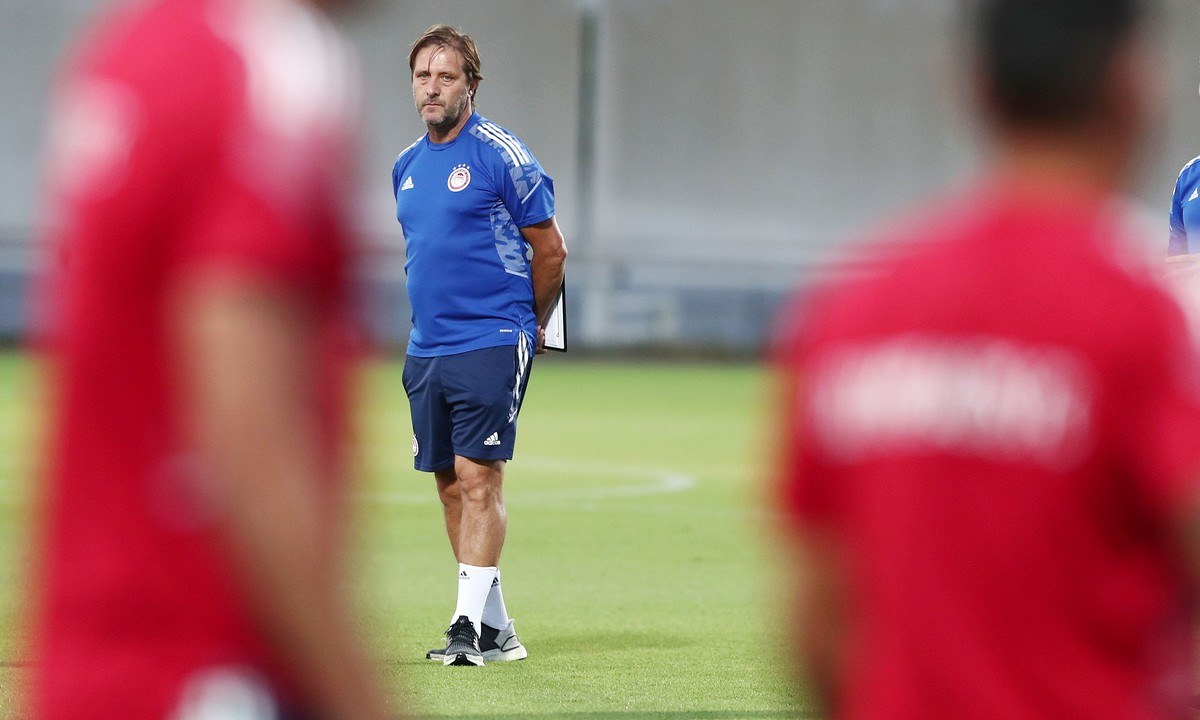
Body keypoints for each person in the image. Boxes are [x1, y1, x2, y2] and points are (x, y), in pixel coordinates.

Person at [773, 0, 1200, 717]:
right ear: (1133, 86)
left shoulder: (852, 308)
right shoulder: (1145, 316)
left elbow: (817, 625)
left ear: (970, 88)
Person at [29, 0, 394, 718]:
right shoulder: (271, 73)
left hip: (97, 671)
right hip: (208, 676)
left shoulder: (136, 45)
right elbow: (246, 437)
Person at [391, 24, 567, 667]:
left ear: (471, 85)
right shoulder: (405, 166)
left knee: (477, 476)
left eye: (446, 76)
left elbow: (551, 251)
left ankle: (465, 629)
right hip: (427, 345)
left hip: (492, 334)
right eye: (423, 76)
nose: (432, 88)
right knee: (448, 484)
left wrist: (530, 324)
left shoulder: (501, 154)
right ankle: (496, 630)